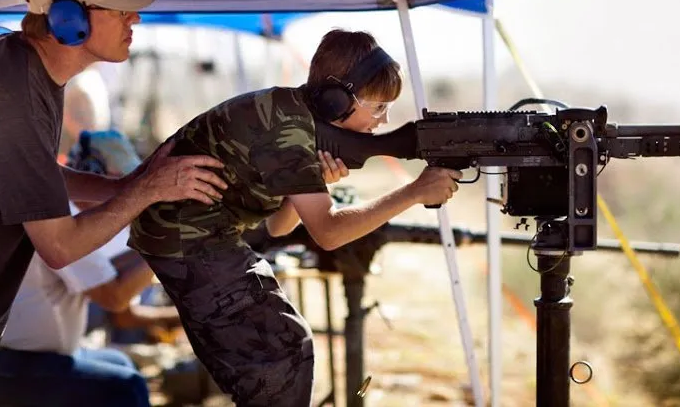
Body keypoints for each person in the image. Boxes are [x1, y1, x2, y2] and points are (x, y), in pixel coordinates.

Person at [0, 0, 227, 407]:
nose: (134, 19)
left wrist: (126, 187)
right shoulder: (11, 94)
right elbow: (59, 246)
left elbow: (32, 178)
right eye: (121, 9)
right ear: (67, 19)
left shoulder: (26, 72)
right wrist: (147, 191)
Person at [128, 29, 462, 406]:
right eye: (378, 107)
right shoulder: (289, 128)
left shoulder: (294, 112)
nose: (382, 121)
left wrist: (316, 183)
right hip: (188, 238)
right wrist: (414, 192)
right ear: (337, 101)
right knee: (281, 354)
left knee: (279, 350)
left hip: (190, 235)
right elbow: (329, 234)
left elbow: (278, 227)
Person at [0, 130, 184, 407]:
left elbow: (110, 275)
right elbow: (114, 298)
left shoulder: (66, 214)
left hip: (31, 356)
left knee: (119, 362)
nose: (131, 194)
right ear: (93, 172)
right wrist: (172, 239)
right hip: (13, 362)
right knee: (126, 388)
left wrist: (159, 242)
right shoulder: (58, 217)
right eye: (121, 181)